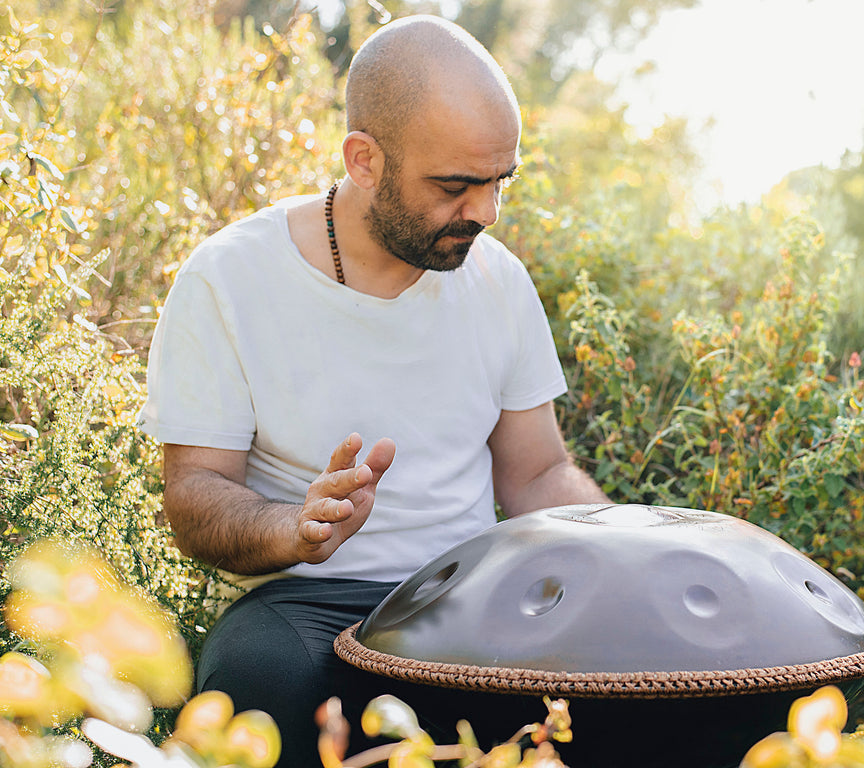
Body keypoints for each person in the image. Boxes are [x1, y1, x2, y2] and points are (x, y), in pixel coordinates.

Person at [138, 14, 609, 767]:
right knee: (255, 683)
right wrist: (294, 527)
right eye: (456, 185)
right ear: (364, 160)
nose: (486, 213)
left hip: (468, 602)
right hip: (299, 605)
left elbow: (537, 472)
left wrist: (624, 548)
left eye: (499, 182)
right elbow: (195, 493)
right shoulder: (228, 279)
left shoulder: (500, 283)